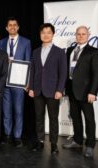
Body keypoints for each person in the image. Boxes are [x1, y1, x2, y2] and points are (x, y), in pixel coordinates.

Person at [62, 26, 98, 158]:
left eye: (83, 34)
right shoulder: (70, 50)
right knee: (75, 117)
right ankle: (78, 141)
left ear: (88, 35)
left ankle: (90, 145)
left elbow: (97, 74)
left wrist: (93, 92)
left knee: (89, 119)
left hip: (86, 92)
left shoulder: (94, 52)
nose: (80, 36)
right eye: (78, 34)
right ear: (75, 35)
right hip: (71, 90)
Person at [28, 23, 67, 155]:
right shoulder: (35, 52)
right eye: (43, 32)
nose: (46, 35)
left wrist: (59, 90)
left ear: (53, 34)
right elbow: (32, 71)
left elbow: (63, 73)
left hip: (53, 91)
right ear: (40, 35)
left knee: (53, 118)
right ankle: (40, 142)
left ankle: (54, 144)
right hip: (37, 90)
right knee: (39, 117)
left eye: (48, 32)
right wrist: (31, 88)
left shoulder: (60, 52)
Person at [0, 17, 32, 147]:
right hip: (4, 82)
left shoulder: (26, 42)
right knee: (6, 111)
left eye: (14, 25)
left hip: (19, 82)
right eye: (10, 25)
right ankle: (7, 134)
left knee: (18, 110)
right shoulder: (1, 42)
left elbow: (28, 61)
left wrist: (27, 82)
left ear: (18, 27)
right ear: (6, 28)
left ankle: (17, 137)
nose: (12, 27)